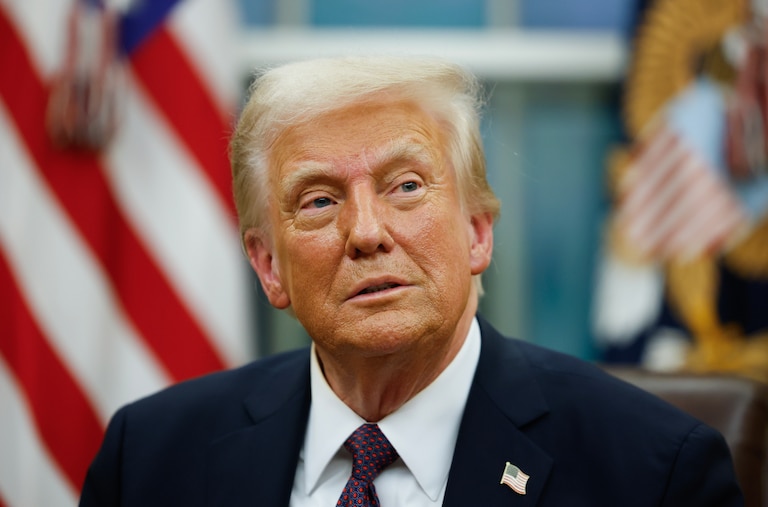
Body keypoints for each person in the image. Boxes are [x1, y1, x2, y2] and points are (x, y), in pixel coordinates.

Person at [79, 56, 744, 506]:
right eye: (317, 200)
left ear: (478, 233)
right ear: (269, 265)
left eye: (406, 186)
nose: (366, 231)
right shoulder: (150, 462)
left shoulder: (654, 473)